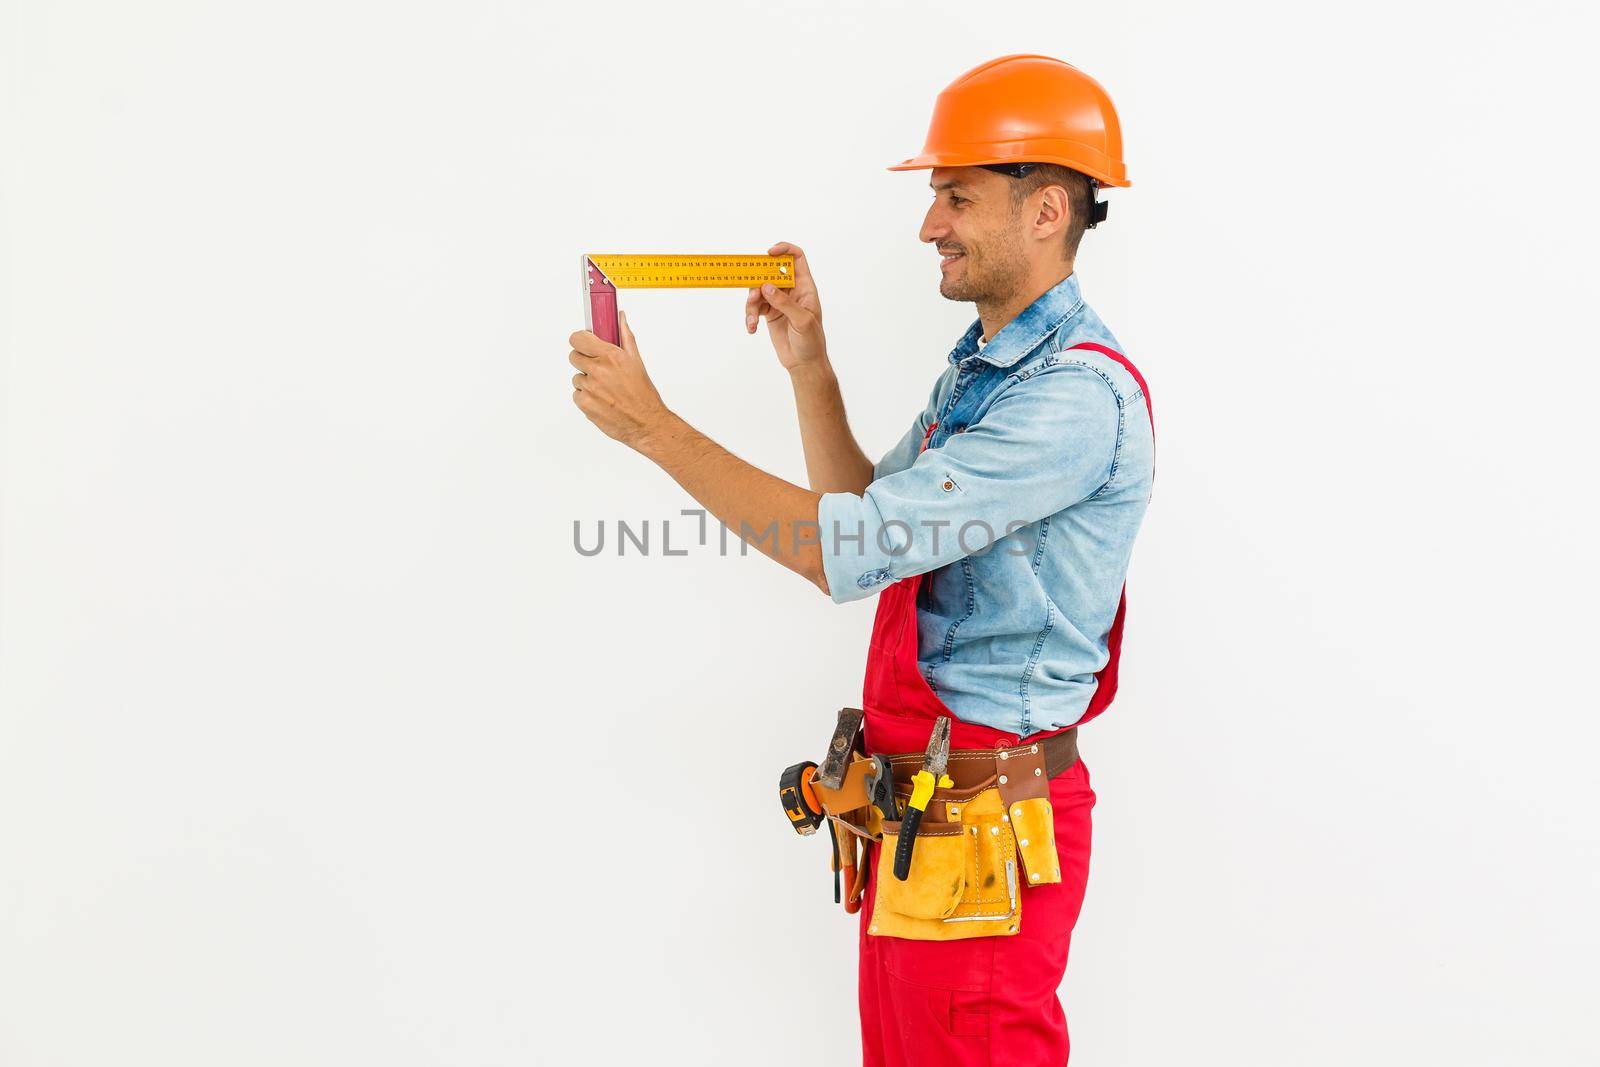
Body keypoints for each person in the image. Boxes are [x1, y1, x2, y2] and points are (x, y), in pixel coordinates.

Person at [568, 53, 1152, 1066]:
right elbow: (870, 526)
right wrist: (809, 361)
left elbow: (842, 554)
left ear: (1047, 208)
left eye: (956, 196)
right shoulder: (982, 372)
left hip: (990, 834)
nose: (930, 225)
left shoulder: (1072, 400)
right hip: (925, 822)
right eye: (935, 197)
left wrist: (655, 429)